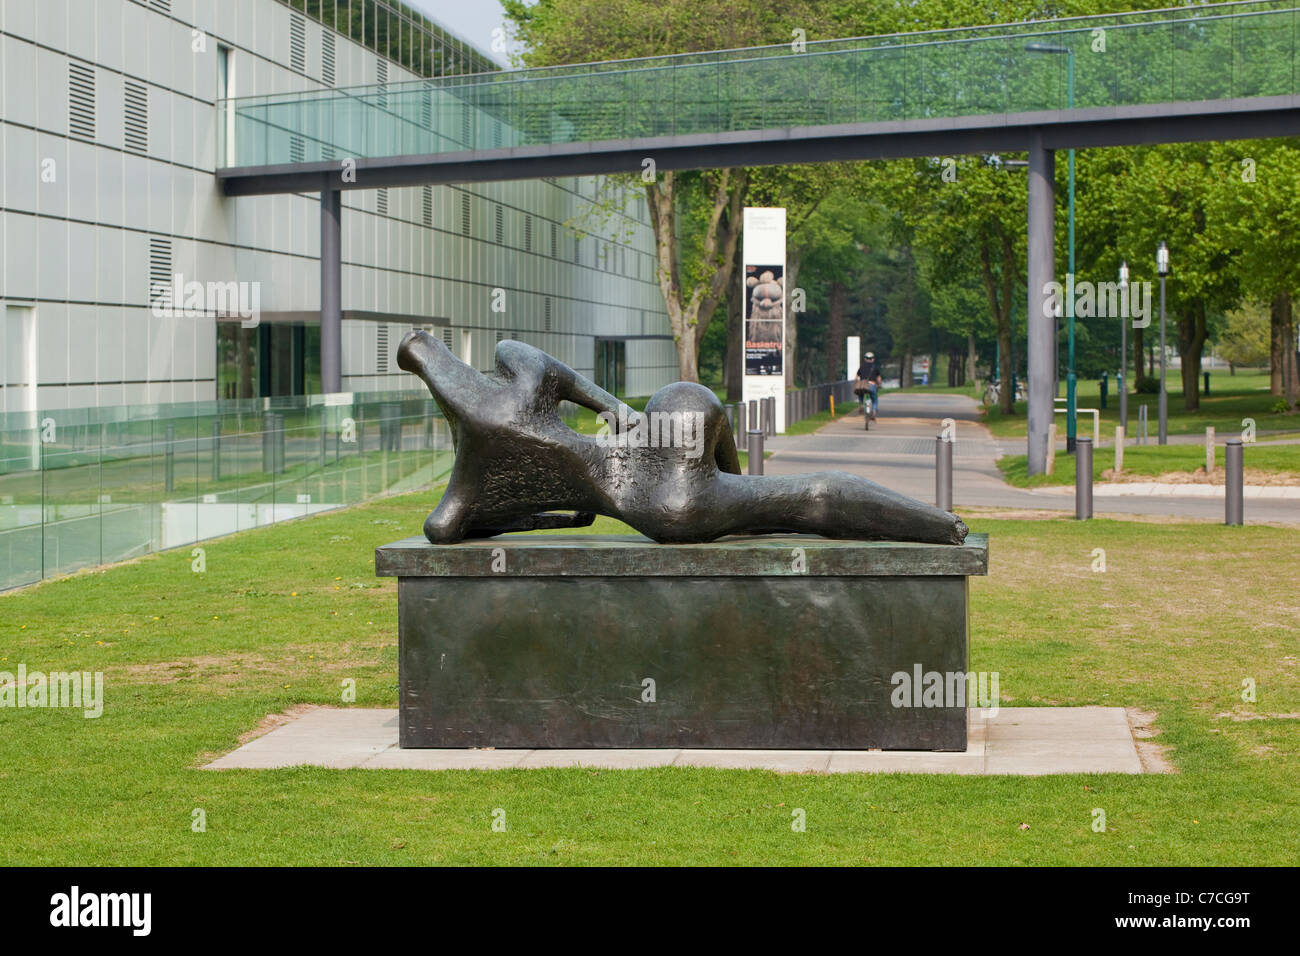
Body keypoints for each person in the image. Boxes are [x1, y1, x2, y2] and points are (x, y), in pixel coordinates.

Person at [396, 331, 966, 546]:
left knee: (807, 497)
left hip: (656, 505)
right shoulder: (514, 363)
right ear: (445, 354)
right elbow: (590, 393)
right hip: (672, 427)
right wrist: (627, 418)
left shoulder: (467, 476)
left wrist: (558, 513)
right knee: (788, 495)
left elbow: (443, 530)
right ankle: (941, 525)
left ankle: (744, 499)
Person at [855, 352, 883, 421]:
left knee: (860, 393)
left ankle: (861, 404)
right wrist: (879, 384)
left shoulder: (861, 367)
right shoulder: (875, 367)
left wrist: (856, 383)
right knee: (874, 400)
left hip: (863, 385)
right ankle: (874, 412)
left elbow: (856, 377)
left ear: (865, 359)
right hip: (872, 385)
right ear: (873, 359)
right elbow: (879, 378)